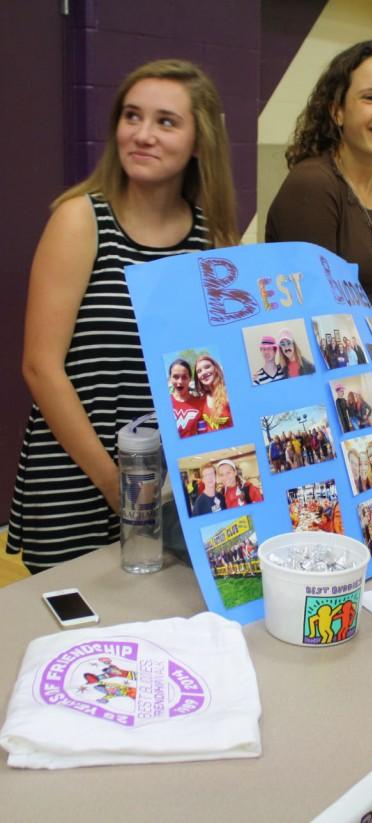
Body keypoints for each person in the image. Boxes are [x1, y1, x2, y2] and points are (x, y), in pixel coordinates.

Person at [6, 59, 237, 573]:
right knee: (75, 630)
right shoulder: (80, 220)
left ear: (199, 143)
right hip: (77, 471)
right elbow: (40, 367)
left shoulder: (212, 238)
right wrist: (121, 487)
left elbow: (211, 373)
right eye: (132, 117)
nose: (143, 134)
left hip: (171, 478)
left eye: (166, 121)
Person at [265, 40, 372, 353]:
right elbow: (315, 314)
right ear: (337, 111)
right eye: (370, 98)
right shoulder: (313, 185)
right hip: (310, 369)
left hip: (365, 372)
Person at [194, 353, 233, 431]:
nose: (204, 373)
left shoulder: (229, 394)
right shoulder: (201, 400)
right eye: (199, 371)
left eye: (207, 367)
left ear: (215, 368)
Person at [168, 358, 204, 438]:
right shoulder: (163, 404)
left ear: (190, 379)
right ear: (170, 378)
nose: (180, 382)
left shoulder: (200, 404)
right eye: (175, 377)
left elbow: (203, 435)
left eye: (184, 377)